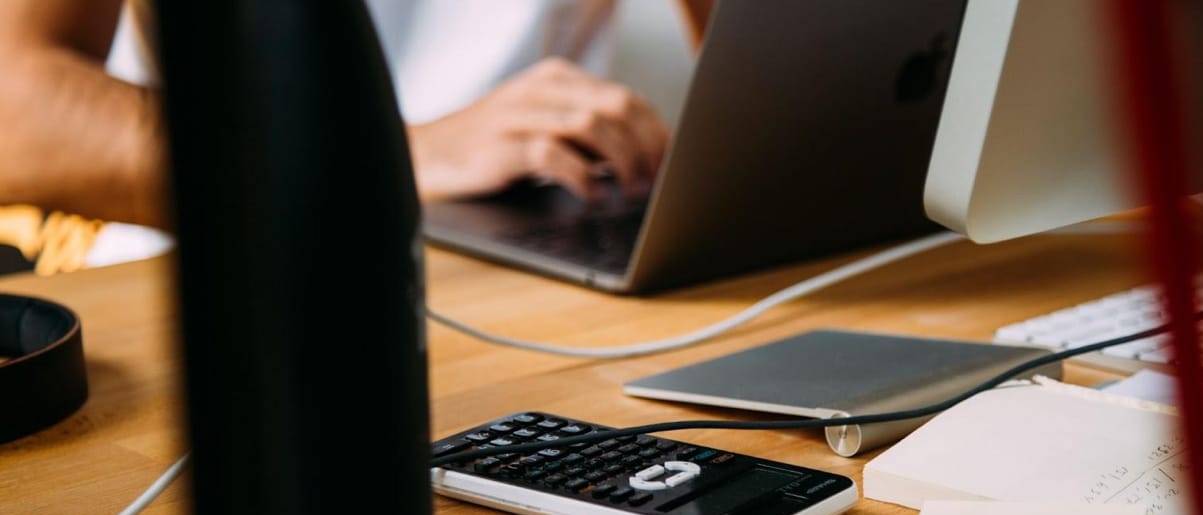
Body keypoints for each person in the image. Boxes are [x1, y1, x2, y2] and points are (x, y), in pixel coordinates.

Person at [0, 0, 714, 233]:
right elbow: (15, 105)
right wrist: (391, 158)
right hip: (246, 253)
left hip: (548, 240)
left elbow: (775, 74)